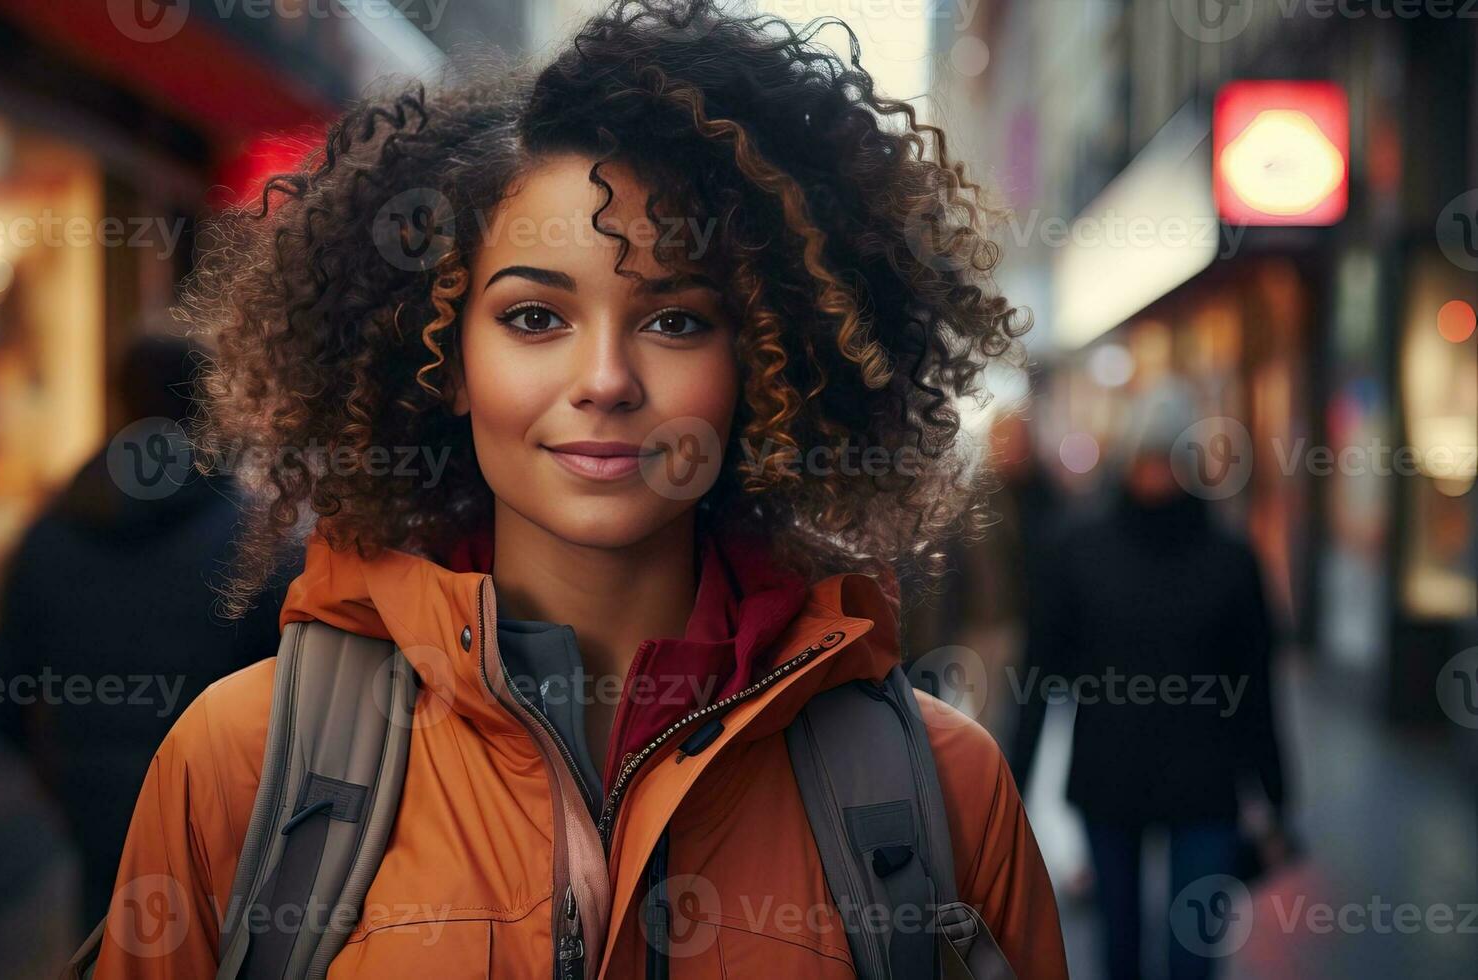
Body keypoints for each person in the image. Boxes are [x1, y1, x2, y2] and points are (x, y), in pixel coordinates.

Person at [95, 2, 1068, 976]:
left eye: (675, 321)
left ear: (767, 365)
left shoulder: (939, 789)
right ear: (443, 361)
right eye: (532, 315)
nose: (604, 378)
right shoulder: (240, 764)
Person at [0, 335, 293, 937]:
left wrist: (67, 779)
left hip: (95, 814)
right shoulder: (255, 541)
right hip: (221, 820)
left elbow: (1, 696)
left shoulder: (50, 533)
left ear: (117, 400)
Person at [1009, 380, 1291, 980]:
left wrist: (1277, 796)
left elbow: (1258, 687)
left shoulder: (1232, 559)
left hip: (1207, 786)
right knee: (1120, 948)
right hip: (1111, 780)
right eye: (1147, 455)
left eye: (1170, 457)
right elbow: (1039, 676)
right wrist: (1010, 787)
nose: (1157, 472)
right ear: (1126, 458)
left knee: (1193, 953)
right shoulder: (1078, 549)